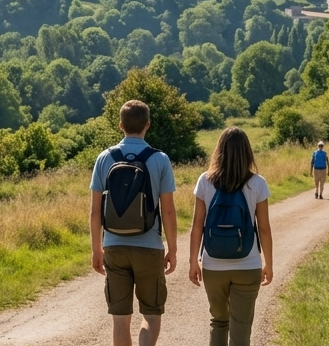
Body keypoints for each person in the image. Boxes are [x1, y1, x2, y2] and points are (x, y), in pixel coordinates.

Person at [91, 100, 178, 346]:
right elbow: (168, 211)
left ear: (120, 125)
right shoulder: (160, 159)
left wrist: (97, 249)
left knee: (120, 321)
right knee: (151, 314)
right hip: (149, 246)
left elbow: (95, 212)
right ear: (147, 125)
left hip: (114, 247)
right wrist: (172, 248)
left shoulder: (104, 158)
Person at [188, 127, 275, 346]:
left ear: (219, 150)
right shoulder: (257, 183)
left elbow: (197, 225)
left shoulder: (205, 181)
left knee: (218, 321)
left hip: (213, 265)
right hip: (248, 264)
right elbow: (264, 228)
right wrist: (269, 263)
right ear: (247, 152)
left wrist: (192, 262)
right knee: (242, 326)